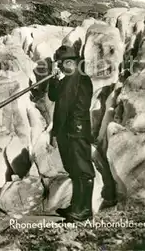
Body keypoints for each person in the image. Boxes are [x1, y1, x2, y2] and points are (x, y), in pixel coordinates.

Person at [47, 45, 96, 222]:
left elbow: (71, 108)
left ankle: (84, 210)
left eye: (60, 64)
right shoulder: (67, 79)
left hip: (75, 131)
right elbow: (53, 96)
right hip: (68, 131)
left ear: (70, 62)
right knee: (74, 170)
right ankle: (76, 207)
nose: (59, 67)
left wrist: (62, 131)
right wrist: (53, 79)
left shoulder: (79, 79)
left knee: (83, 170)